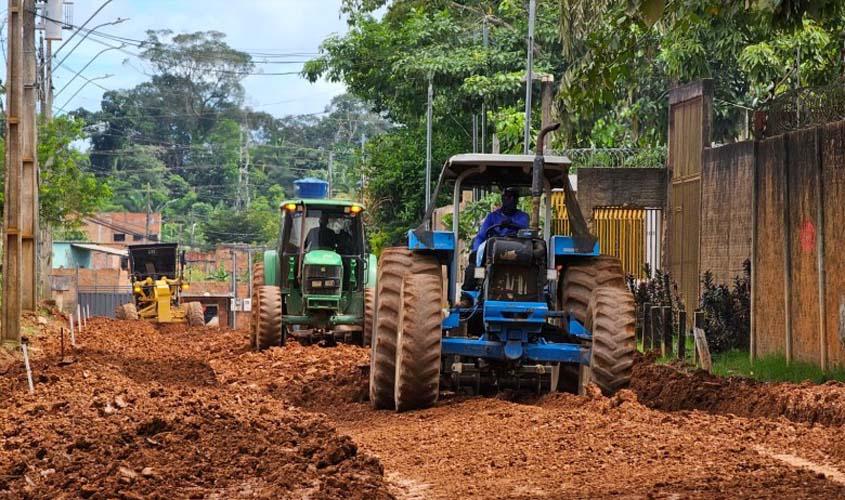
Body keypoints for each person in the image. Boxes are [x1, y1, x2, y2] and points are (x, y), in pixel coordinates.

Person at [461, 187, 529, 300]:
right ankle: (467, 298)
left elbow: (524, 227)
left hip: (517, 252)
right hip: (493, 252)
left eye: (513, 197)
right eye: (507, 196)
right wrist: (476, 251)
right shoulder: (492, 217)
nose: (510, 200)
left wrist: (511, 223)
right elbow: (481, 236)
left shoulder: (523, 217)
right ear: (503, 199)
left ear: (517, 200)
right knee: (472, 269)